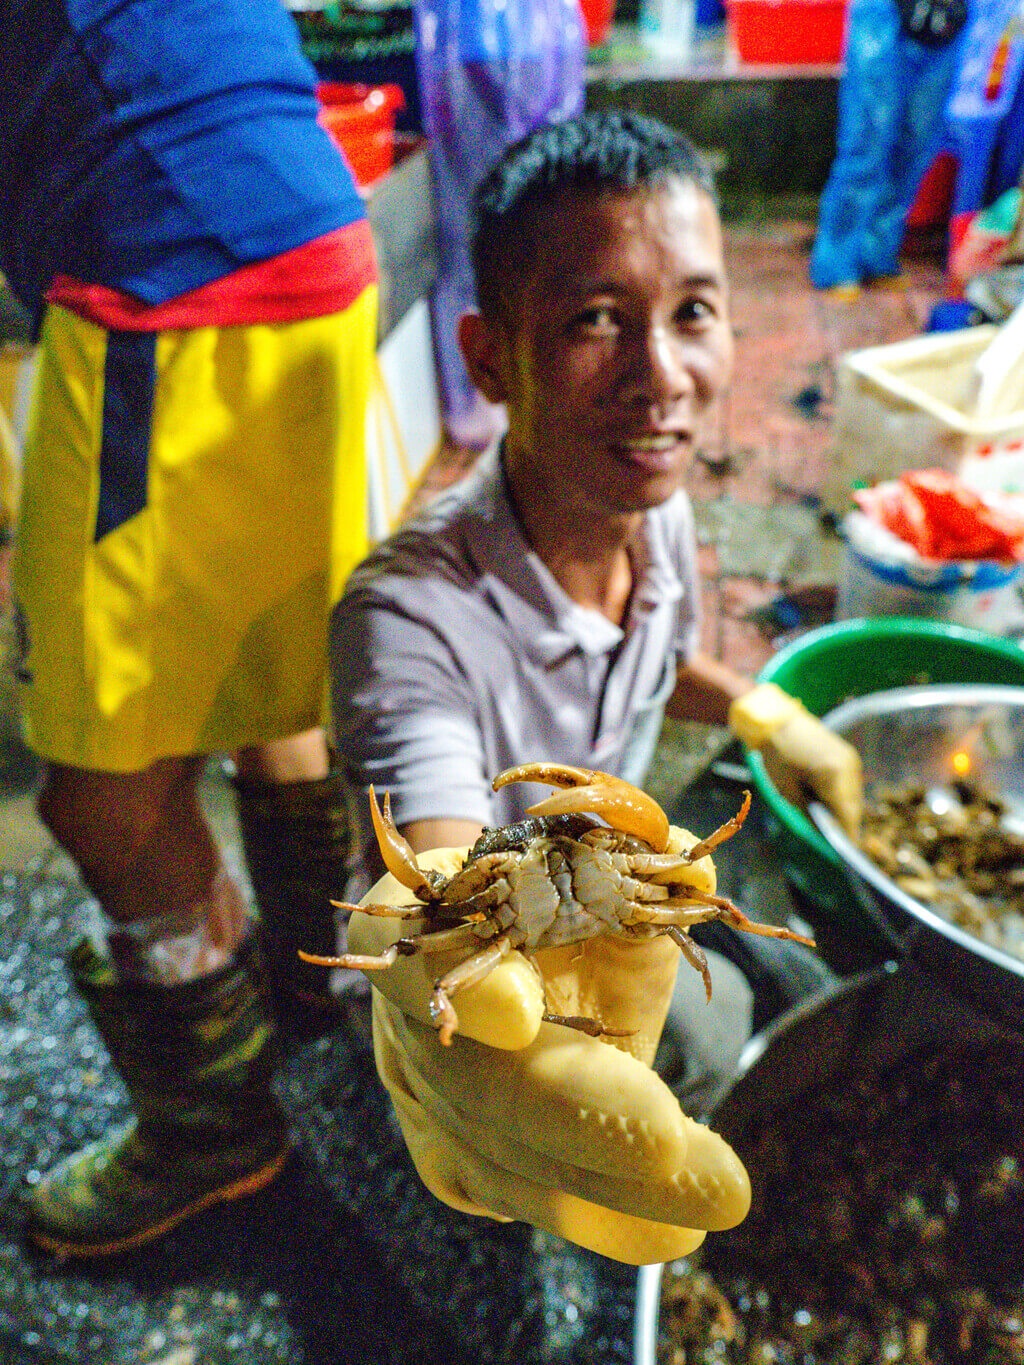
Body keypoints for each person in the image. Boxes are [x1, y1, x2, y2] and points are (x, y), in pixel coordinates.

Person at [328, 110, 862, 1264]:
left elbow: (658, 659)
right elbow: (434, 848)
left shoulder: (649, 506)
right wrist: (433, 993)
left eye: (693, 314)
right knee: (560, 1115)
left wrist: (766, 709)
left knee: (758, 988)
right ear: (488, 358)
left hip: (605, 890)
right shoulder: (407, 616)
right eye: (596, 321)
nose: (661, 378)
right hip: (505, 933)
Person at [1, 0, 378, 1258]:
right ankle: (320, 972)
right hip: (314, 240)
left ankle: (214, 1127)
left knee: (99, 797)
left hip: (164, 277)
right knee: (268, 681)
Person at [809, 0, 969, 297]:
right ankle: (836, 264)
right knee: (867, 140)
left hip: (949, 15)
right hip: (882, 10)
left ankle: (877, 254)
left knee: (916, 146)